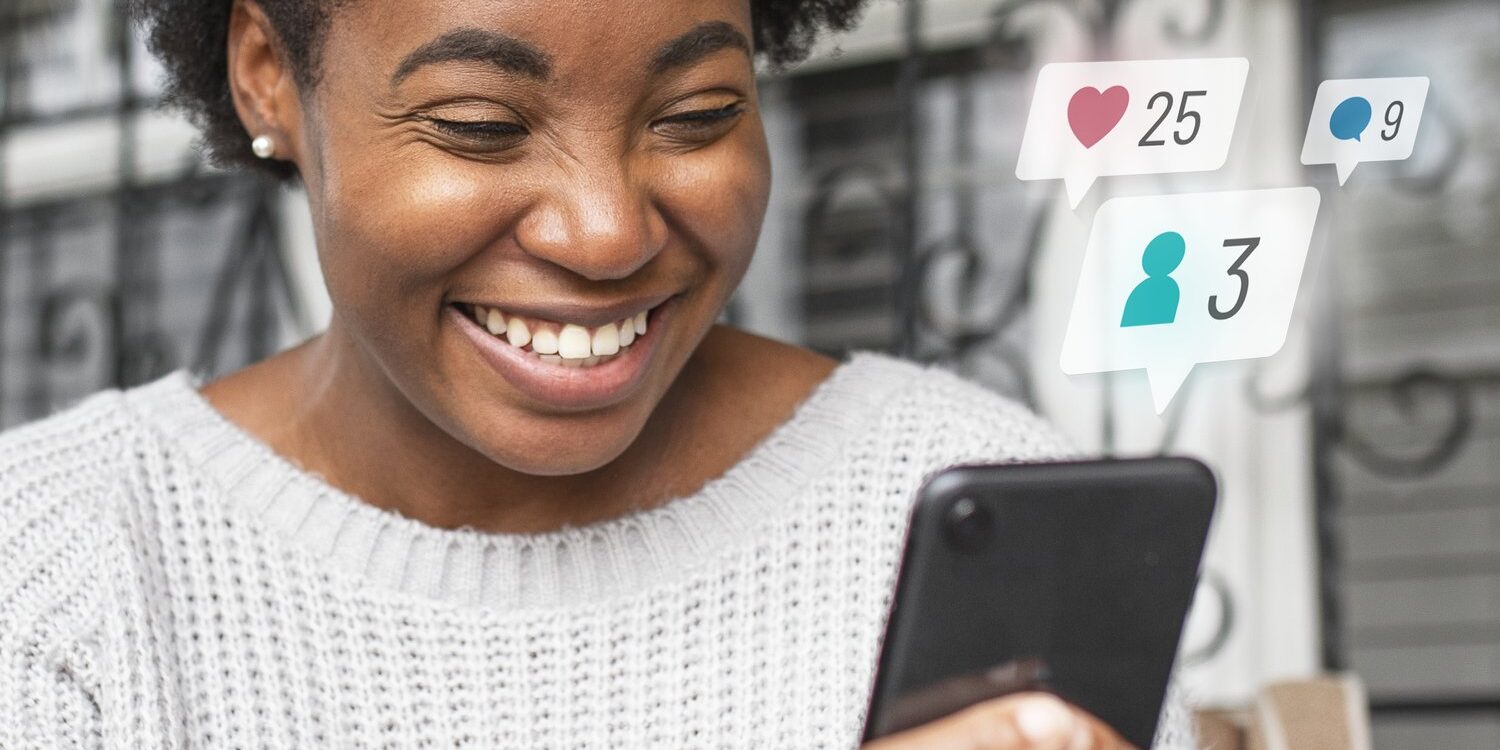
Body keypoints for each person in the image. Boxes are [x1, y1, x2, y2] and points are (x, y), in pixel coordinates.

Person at [0, 1, 1197, 747]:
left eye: (695, 114)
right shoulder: (56, 575)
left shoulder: (972, 501)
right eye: (479, 125)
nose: (607, 231)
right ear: (268, 71)